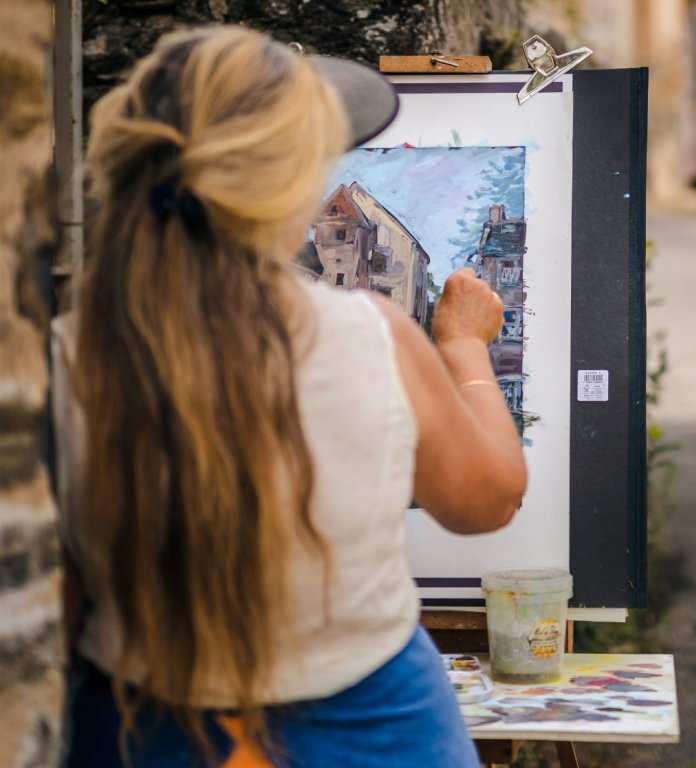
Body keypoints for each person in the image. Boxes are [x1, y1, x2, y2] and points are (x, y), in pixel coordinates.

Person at [51, 25, 526, 767]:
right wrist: (464, 349)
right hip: (371, 726)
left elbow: (61, 598)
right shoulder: (372, 336)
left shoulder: (68, 354)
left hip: (142, 729)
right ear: (289, 189)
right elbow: (486, 499)